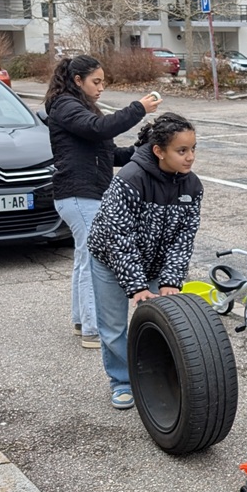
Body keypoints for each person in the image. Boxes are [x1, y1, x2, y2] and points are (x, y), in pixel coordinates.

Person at [86, 113, 201, 410]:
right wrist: (136, 286)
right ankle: (122, 381)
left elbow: (183, 238)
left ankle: (154, 377)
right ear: (159, 151)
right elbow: (119, 237)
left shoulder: (192, 187)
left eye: (192, 149)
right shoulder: (129, 179)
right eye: (182, 151)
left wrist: (170, 280)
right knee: (113, 328)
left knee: (158, 324)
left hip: (155, 263)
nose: (190, 157)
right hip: (111, 260)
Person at [45, 55, 160, 349]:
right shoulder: (66, 106)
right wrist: (139, 109)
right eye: (96, 81)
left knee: (85, 259)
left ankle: (82, 321)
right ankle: (93, 330)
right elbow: (100, 128)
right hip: (78, 193)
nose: (101, 87)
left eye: (103, 82)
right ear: (77, 80)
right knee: (93, 262)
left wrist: (143, 148)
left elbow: (110, 154)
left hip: (85, 193)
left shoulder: (81, 108)